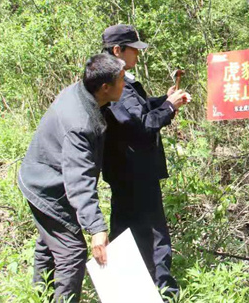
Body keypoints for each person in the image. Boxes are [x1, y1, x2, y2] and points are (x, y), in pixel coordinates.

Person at [18, 53, 126, 303]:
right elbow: (79, 181)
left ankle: (41, 295)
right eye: (121, 79)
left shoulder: (81, 91)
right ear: (105, 87)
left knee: (51, 242)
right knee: (73, 252)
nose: (125, 84)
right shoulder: (80, 123)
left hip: (42, 176)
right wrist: (97, 228)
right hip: (46, 187)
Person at [101, 24, 190, 297]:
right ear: (118, 50)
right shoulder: (116, 85)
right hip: (135, 171)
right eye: (134, 50)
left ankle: (126, 289)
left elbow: (139, 109)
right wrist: (170, 107)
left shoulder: (116, 80)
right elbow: (141, 127)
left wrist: (164, 100)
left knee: (125, 229)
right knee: (153, 232)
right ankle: (163, 289)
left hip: (126, 171)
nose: (138, 56)